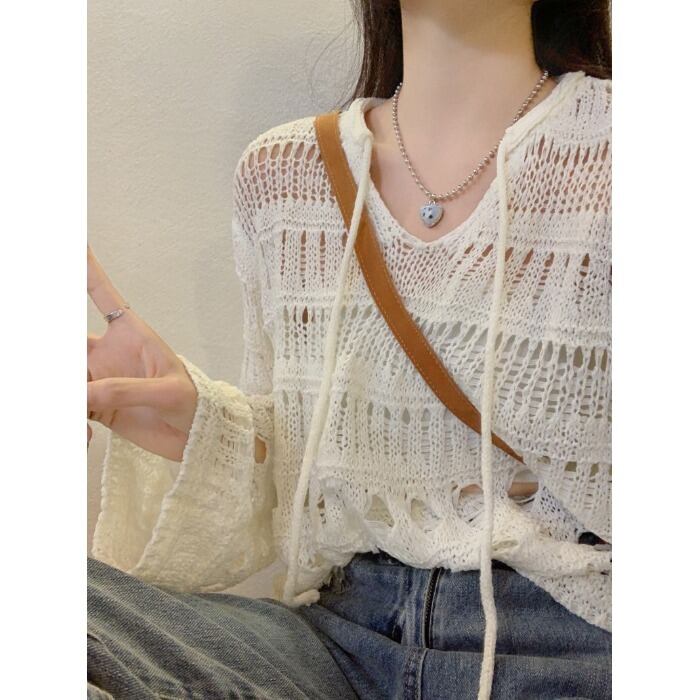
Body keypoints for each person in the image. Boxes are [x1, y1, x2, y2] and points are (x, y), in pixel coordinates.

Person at [87, 0, 612, 698]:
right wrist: (199, 424)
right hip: (338, 640)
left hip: (570, 636)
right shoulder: (282, 174)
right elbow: (302, 478)